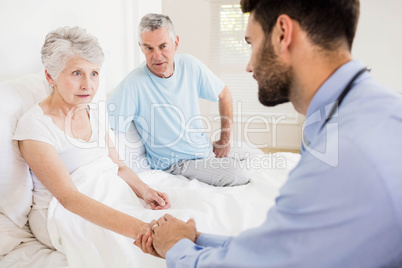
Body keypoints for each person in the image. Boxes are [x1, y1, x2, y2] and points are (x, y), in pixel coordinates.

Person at [134, 0, 402, 267]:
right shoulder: (360, 115)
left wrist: (176, 247)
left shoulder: (344, 152)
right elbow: (276, 249)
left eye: (252, 43)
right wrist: (196, 238)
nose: (249, 66)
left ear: (283, 34)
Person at [13, 26, 170, 251]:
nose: (88, 85)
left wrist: (144, 191)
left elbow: (119, 166)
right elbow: (69, 198)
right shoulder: (36, 126)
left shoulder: (93, 111)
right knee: (136, 249)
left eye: (94, 73)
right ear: (50, 76)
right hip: (64, 214)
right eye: (77, 73)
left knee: (178, 227)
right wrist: (142, 229)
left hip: (109, 197)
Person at [107, 13, 250, 187]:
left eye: (163, 46)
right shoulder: (132, 84)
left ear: (176, 43)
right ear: (141, 47)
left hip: (205, 149)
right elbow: (106, 128)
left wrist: (224, 140)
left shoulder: (190, 65)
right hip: (176, 164)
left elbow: (224, 93)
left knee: (254, 154)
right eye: (149, 48)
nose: (157, 55)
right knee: (238, 174)